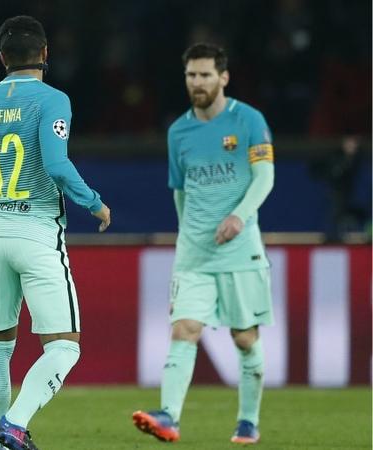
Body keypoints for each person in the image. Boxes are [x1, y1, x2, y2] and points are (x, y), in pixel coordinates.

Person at [0, 15, 111, 450]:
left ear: (2, 58)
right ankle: (15, 424)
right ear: (45, 54)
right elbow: (58, 165)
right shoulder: (53, 100)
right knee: (65, 347)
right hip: (37, 232)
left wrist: (0, 198)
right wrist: (94, 201)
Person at [132, 43, 275, 445]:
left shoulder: (249, 120)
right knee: (184, 329)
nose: (197, 82)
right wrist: (186, 237)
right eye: (191, 75)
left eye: (205, 75)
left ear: (223, 77)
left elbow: (264, 178)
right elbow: (180, 191)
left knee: (244, 338)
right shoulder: (178, 131)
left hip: (240, 248)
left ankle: (248, 421)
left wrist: (238, 217)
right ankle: (169, 418)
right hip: (195, 253)